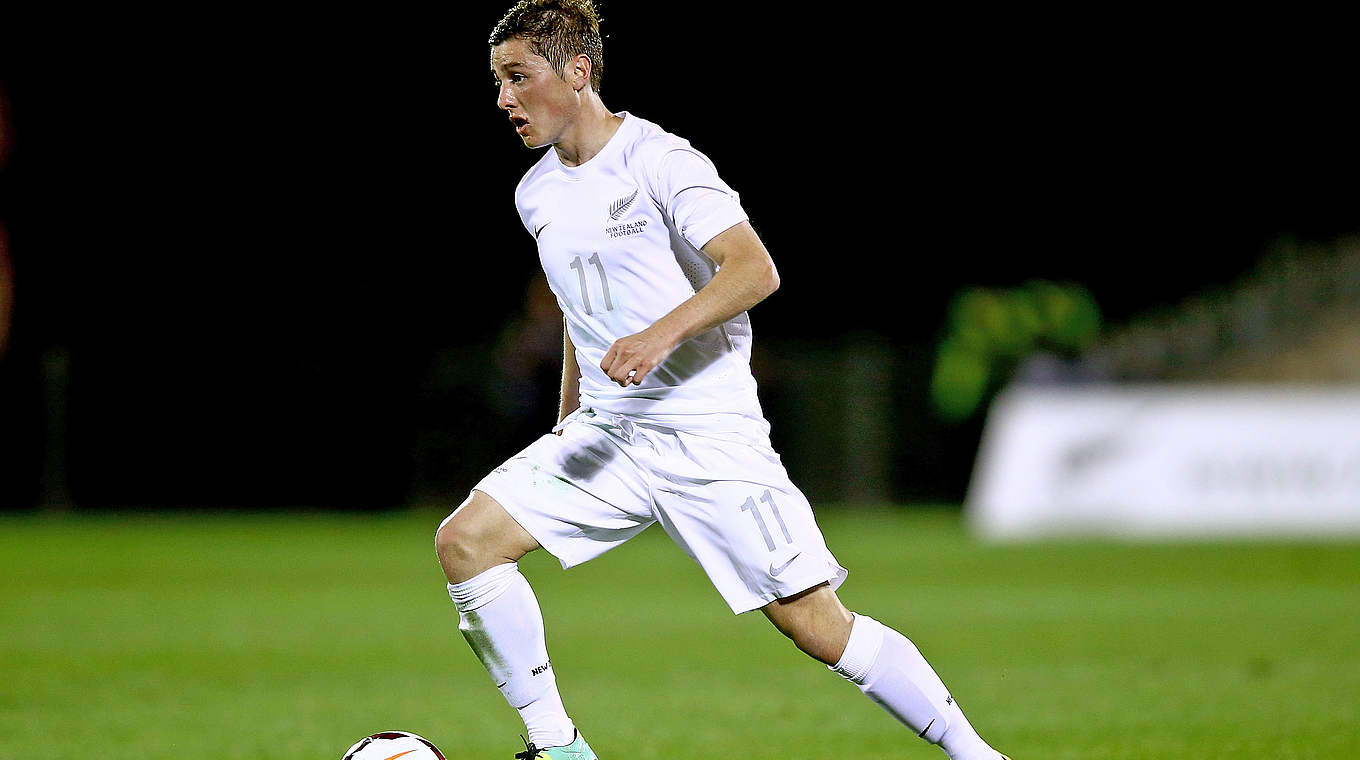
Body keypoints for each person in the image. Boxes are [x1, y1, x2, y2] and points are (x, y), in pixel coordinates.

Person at [435, 2, 1011, 758]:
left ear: (578, 72)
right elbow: (581, 309)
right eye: (498, 81)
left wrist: (660, 333)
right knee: (467, 543)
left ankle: (980, 756)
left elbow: (754, 268)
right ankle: (559, 747)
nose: (504, 98)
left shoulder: (662, 161)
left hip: (706, 433)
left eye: (519, 77)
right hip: (610, 435)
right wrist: (567, 414)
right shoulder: (535, 191)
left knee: (818, 626)